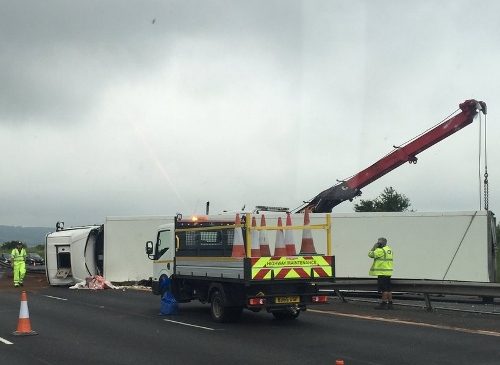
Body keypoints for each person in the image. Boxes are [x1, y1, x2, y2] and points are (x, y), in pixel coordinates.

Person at [368, 237, 394, 309]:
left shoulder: (380, 250)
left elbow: (370, 254)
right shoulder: (388, 249)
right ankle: (390, 303)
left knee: (384, 289)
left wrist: (374, 247)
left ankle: (384, 303)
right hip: (388, 272)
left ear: (381, 243)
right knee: (388, 289)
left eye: (379, 242)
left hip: (382, 272)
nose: (378, 243)